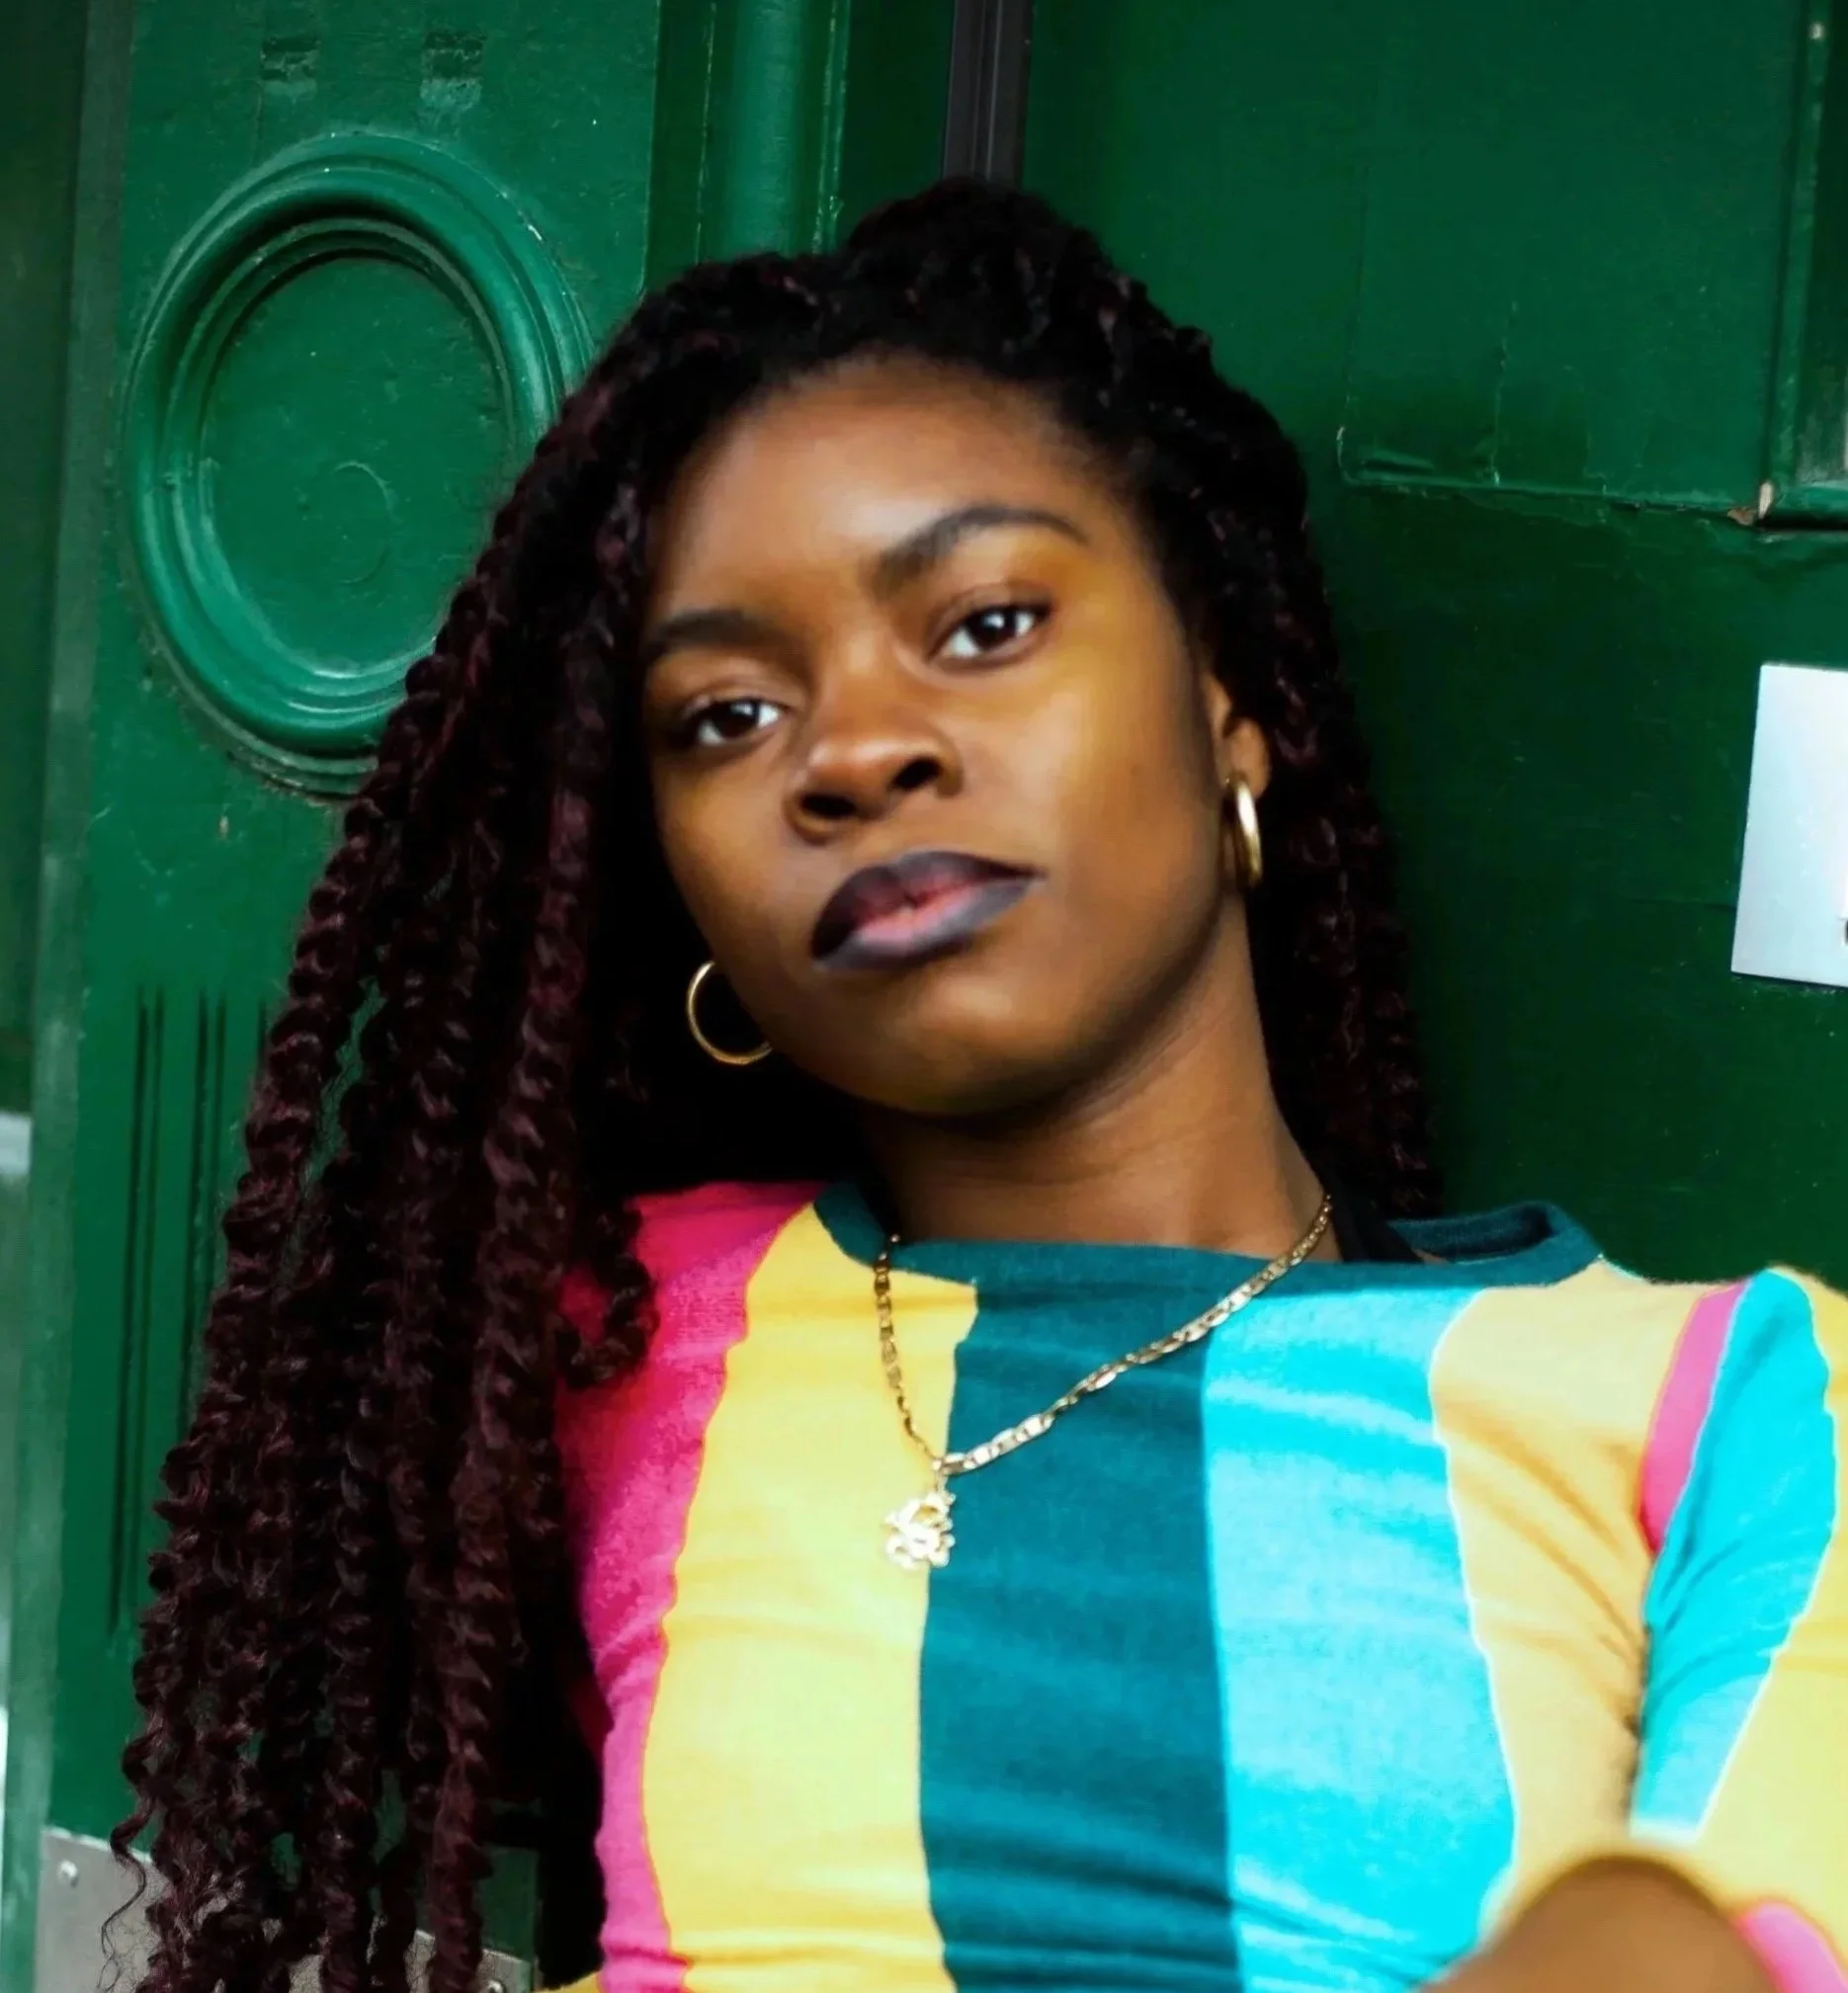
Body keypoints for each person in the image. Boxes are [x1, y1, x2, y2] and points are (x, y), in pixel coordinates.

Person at [116, 181, 1845, 1993]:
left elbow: (1747, 1955)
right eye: (726, 715)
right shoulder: (593, 1343)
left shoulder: (1732, 1400)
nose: (856, 749)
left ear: (1227, 700)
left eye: (986, 622)